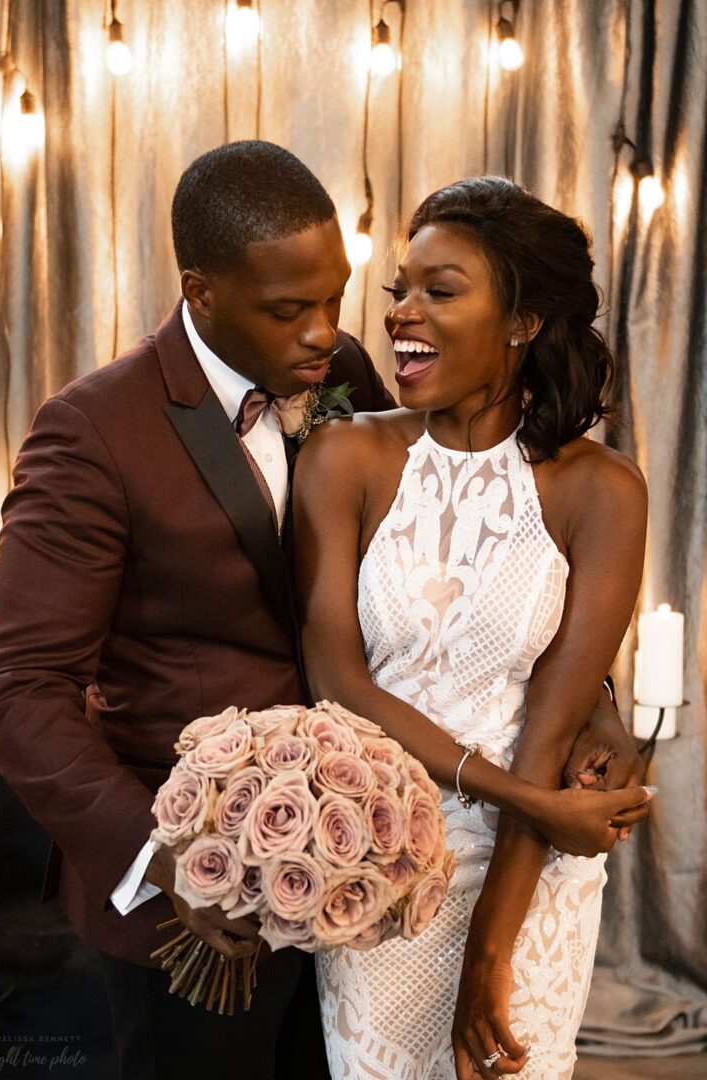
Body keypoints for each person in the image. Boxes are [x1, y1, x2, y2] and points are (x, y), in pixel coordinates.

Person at [0, 145, 641, 1080]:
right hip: (207, 903)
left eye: (336, 297)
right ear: (201, 293)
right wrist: (167, 861)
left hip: (374, 877)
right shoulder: (95, 430)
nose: (325, 332)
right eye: (291, 309)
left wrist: (597, 700)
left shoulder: (349, 376)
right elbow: (18, 690)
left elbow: (455, 565)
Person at [294, 176, 650, 1079]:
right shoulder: (345, 457)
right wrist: (529, 796)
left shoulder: (601, 491)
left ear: (523, 321)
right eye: (399, 291)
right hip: (377, 850)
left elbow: (554, 731)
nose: (401, 314)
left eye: (439, 291)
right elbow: (340, 678)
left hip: (533, 870)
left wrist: (492, 954)